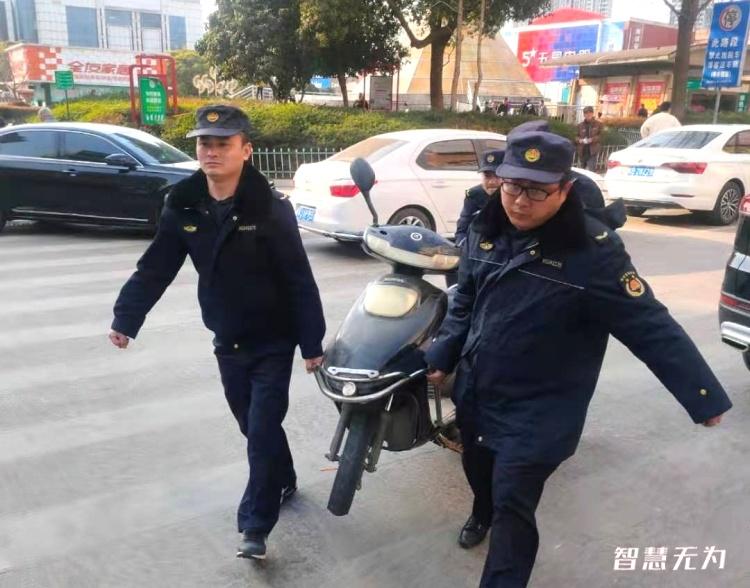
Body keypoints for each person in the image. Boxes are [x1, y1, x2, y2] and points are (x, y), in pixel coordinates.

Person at [425, 130, 731, 588]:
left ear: (564, 189)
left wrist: (702, 395)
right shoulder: (485, 227)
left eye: (536, 191)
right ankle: (480, 510)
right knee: (479, 472)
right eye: (512, 186)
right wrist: (443, 353)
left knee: (514, 505)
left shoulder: (593, 251)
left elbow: (649, 325)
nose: (520, 201)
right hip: (479, 390)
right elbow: (465, 299)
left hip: (542, 407)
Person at [109, 105, 325, 560]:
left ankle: (255, 526)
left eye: (223, 143)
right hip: (227, 339)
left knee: (261, 431)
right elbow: (156, 267)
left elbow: (298, 277)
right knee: (252, 426)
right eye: (205, 143)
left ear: (246, 151)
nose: (211, 151)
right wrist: (126, 318)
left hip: (273, 340)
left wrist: (312, 342)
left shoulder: (270, 208)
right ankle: (283, 477)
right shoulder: (183, 205)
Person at [576, 105, 603, 171]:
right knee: (581, 172)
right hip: (582, 151)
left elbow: (602, 136)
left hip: (592, 152)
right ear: (584, 115)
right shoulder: (580, 125)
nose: (588, 114)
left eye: (590, 112)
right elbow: (575, 136)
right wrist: (579, 140)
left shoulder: (599, 124)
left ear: (592, 113)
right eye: (586, 113)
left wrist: (592, 139)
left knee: (591, 171)